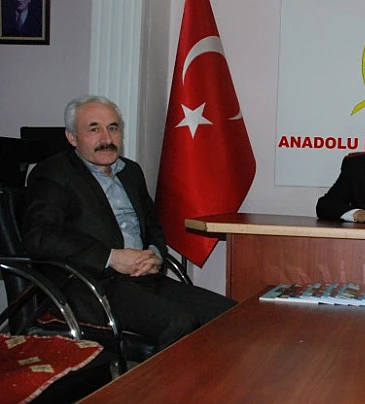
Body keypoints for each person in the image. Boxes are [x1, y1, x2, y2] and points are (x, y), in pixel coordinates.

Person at [22, 95, 237, 352]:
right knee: (179, 323)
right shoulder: (54, 173)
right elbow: (40, 237)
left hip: (145, 279)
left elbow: (153, 225)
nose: (107, 138)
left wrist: (155, 254)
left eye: (113, 128)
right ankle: (155, 380)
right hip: (92, 285)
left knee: (231, 315)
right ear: (72, 137)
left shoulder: (131, 172)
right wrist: (111, 257)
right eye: (94, 129)